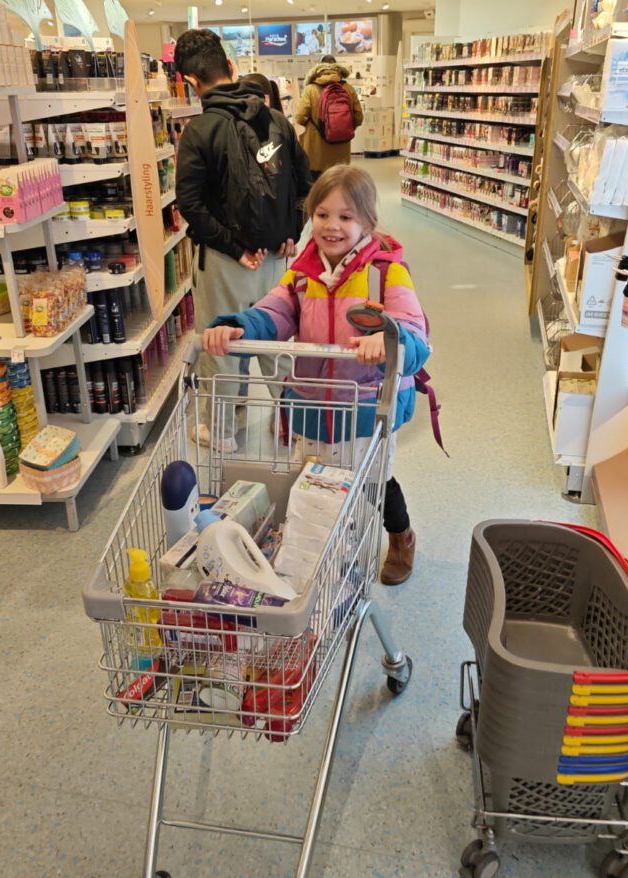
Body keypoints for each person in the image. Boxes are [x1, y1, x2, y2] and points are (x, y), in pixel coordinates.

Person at [202, 165, 429, 585]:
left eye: (346, 216)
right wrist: (240, 326)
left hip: (364, 408)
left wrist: (388, 341)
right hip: (310, 404)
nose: (332, 226)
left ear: (368, 222)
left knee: (372, 483)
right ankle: (316, 551)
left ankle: (401, 536)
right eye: (322, 214)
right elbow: (274, 312)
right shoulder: (301, 274)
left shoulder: (385, 273)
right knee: (310, 483)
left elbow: (416, 333)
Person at [172, 29, 311, 451]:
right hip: (275, 258)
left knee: (223, 345)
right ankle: (289, 422)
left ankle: (222, 432)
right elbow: (305, 183)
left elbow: (190, 204)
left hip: (225, 262)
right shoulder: (277, 121)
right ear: (230, 67)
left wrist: (234, 248)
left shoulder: (199, 131)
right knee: (273, 337)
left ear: (191, 82)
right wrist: (291, 232)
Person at [294, 55, 363, 181]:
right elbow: (359, 117)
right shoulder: (348, 89)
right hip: (341, 153)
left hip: (316, 155)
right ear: (337, 68)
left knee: (318, 191)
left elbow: (299, 117)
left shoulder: (310, 89)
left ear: (318, 69)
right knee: (339, 188)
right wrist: (341, 127)